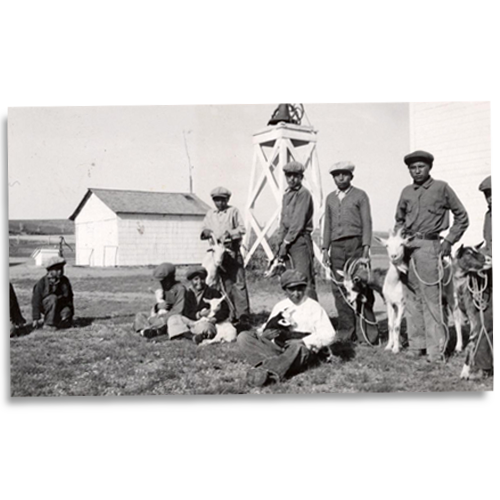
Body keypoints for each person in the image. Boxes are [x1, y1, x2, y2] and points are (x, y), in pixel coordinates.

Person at [395, 150, 469, 363]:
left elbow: (462, 217)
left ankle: (435, 349)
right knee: (411, 296)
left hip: (430, 246)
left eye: (421, 167)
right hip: (408, 248)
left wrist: (448, 241)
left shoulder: (441, 188)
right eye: (412, 168)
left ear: (429, 168)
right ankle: (417, 344)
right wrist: (399, 241)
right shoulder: (406, 191)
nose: (417, 171)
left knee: (431, 298)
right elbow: (399, 219)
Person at [237, 270, 336, 387]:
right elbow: (269, 325)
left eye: (300, 289)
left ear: (305, 288)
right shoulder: (280, 306)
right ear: (285, 290)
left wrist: (303, 341)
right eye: (291, 290)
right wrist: (265, 335)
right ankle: (278, 365)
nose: (296, 293)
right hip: (279, 348)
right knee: (243, 337)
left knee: (297, 348)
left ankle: (268, 372)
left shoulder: (313, 307)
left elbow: (330, 334)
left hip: (301, 350)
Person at [322, 161, 378, 344]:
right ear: (333, 178)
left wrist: (366, 249)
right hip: (336, 248)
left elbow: (367, 223)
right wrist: (325, 249)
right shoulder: (330, 198)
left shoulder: (360, 196)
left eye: (344, 174)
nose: (340, 177)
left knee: (361, 287)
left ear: (351, 176)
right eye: (336, 174)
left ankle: (367, 333)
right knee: (339, 288)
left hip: (355, 245)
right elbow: (327, 225)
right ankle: (346, 331)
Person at [201, 186, 250, 327]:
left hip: (231, 252)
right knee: (224, 285)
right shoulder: (210, 214)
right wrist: (206, 232)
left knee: (238, 284)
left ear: (227, 200)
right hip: (217, 255)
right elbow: (203, 230)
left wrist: (230, 233)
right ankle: (230, 314)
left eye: (222, 200)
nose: (219, 203)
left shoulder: (233, 212)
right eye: (216, 200)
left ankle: (243, 316)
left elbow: (242, 229)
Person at [275, 161, 317, 300]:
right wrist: (279, 242)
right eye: (289, 176)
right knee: (291, 280)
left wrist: (286, 242)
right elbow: (283, 221)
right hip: (287, 241)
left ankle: (313, 317)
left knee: (304, 279)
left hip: (299, 241)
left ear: (301, 177)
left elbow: (298, 222)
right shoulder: (286, 195)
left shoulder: (303, 194)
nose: (291, 179)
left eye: (295, 176)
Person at [466, 175, 494, 379]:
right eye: (487, 194)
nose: (490, 198)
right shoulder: (489, 216)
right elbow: (489, 243)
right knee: (488, 318)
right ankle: (484, 366)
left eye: (493, 193)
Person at [176, 265, 233, 343]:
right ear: (191, 281)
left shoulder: (213, 292)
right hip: (191, 321)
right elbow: (186, 312)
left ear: (205, 279)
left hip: (205, 323)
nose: (199, 282)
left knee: (206, 327)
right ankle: (193, 336)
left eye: (202, 279)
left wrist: (214, 318)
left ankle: (185, 333)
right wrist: (199, 314)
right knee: (174, 318)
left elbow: (225, 310)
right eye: (196, 279)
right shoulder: (188, 294)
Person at [133, 263, 187, 339]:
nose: (163, 284)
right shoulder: (164, 289)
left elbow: (178, 311)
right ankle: (148, 330)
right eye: (161, 282)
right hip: (159, 316)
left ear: (171, 278)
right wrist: (157, 307)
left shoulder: (180, 289)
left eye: (165, 281)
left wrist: (162, 317)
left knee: (165, 321)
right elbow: (157, 307)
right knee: (140, 315)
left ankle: (150, 330)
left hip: (170, 317)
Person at [32, 256, 74, 330]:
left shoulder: (65, 281)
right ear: (50, 271)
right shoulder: (42, 282)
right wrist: (36, 318)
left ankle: (59, 320)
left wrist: (70, 314)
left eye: (61, 269)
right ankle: (49, 324)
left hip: (59, 306)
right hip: (47, 305)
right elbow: (36, 300)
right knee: (52, 298)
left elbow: (70, 298)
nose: (60, 271)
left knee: (66, 312)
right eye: (57, 269)